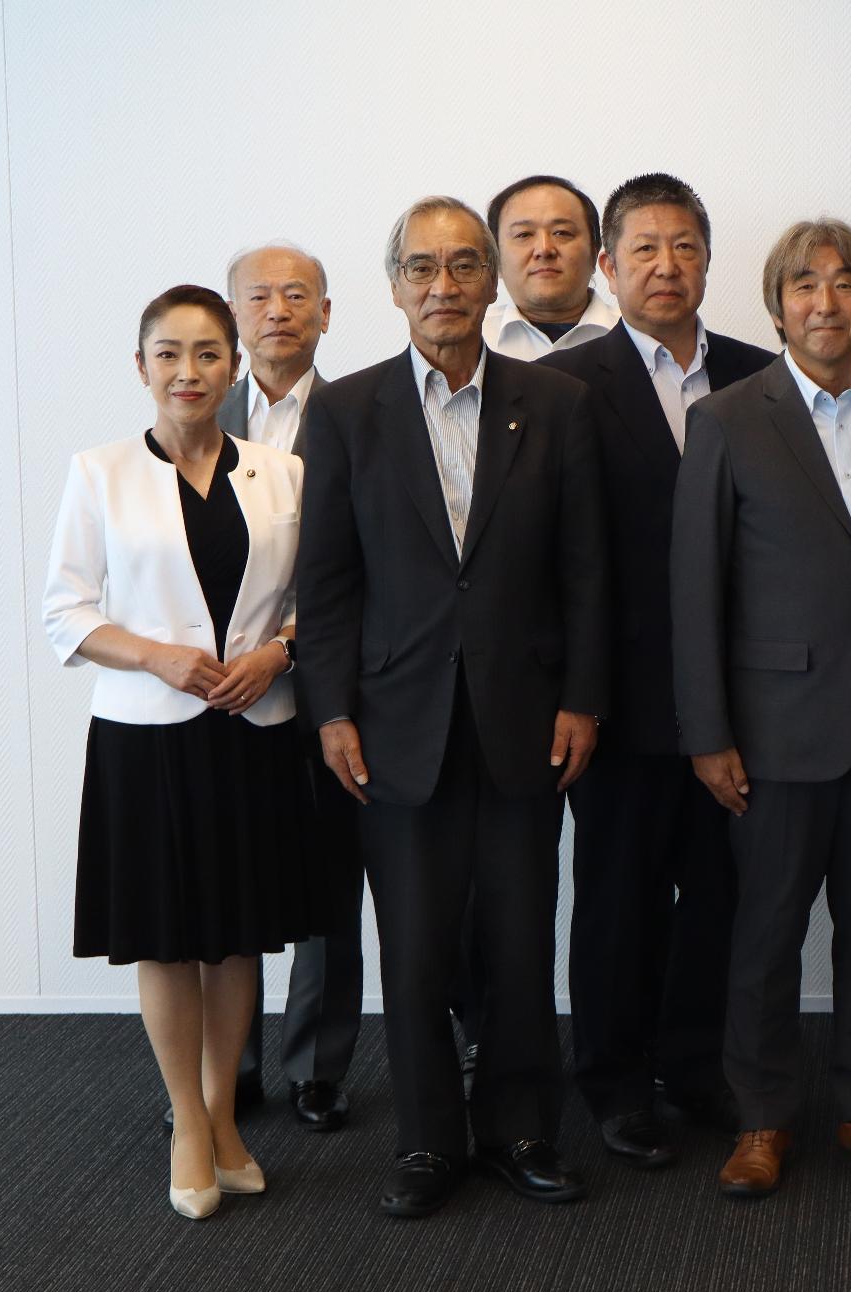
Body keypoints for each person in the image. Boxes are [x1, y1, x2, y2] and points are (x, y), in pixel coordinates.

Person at [296, 195, 611, 1218]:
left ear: (491, 281)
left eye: (465, 265)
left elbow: (586, 570)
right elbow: (327, 582)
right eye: (422, 268)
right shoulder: (346, 411)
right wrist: (331, 713)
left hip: (527, 714)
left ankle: (522, 1130)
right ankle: (429, 1141)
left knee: (520, 938)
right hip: (394, 720)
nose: (444, 286)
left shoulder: (555, 403)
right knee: (416, 944)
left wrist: (583, 697)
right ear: (395, 287)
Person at [669, 217, 851, 1197]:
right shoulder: (726, 419)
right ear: (776, 307)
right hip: (772, 731)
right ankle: (761, 1116)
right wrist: (707, 732)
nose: (825, 302)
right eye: (804, 285)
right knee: (764, 934)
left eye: (844, 284)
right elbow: (696, 588)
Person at [43, 284, 314, 1219]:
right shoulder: (101, 471)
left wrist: (280, 653)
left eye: (207, 354)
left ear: (234, 366)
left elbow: (315, 599)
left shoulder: (282, 473)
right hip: (145, 738)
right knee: (164, 934)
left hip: (251, 728)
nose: (188, 371)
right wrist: (155, 654)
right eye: (168, 353)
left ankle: (226, 1114)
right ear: (141, 365)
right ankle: (188, 1123)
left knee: (235, 933)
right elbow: (65, 611)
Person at [541, 173, 773, 1162]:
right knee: (618, 899)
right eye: (643, 248)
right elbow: (559, 557)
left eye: (684, 247)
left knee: (722, 895)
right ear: (608, 264)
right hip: (622, 699)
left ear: (709, 261)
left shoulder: (762, 375)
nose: (665, 266)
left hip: (743, 696)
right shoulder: (563, 386)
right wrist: (576, 695)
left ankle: (696, 1066)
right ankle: (612, 1079)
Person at [218, 241, 364, 1132]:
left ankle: (317, 1066)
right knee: (225, 879)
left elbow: (368, 565)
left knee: (327, 880)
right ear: (235, 314)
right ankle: (227, 1066)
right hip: (219, 692)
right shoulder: (198, 413)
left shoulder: (361, 414)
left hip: (327, 683)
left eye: (297, 295)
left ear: (326, 313)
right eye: (260, 296)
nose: (278, 310)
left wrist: (286, 647)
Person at [481, 174, 620, 359]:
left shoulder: (638, 336)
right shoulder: (472, 340)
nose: (544, 249)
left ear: (594, 252)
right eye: (524, 235)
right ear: (496, 258)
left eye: (561, 233)